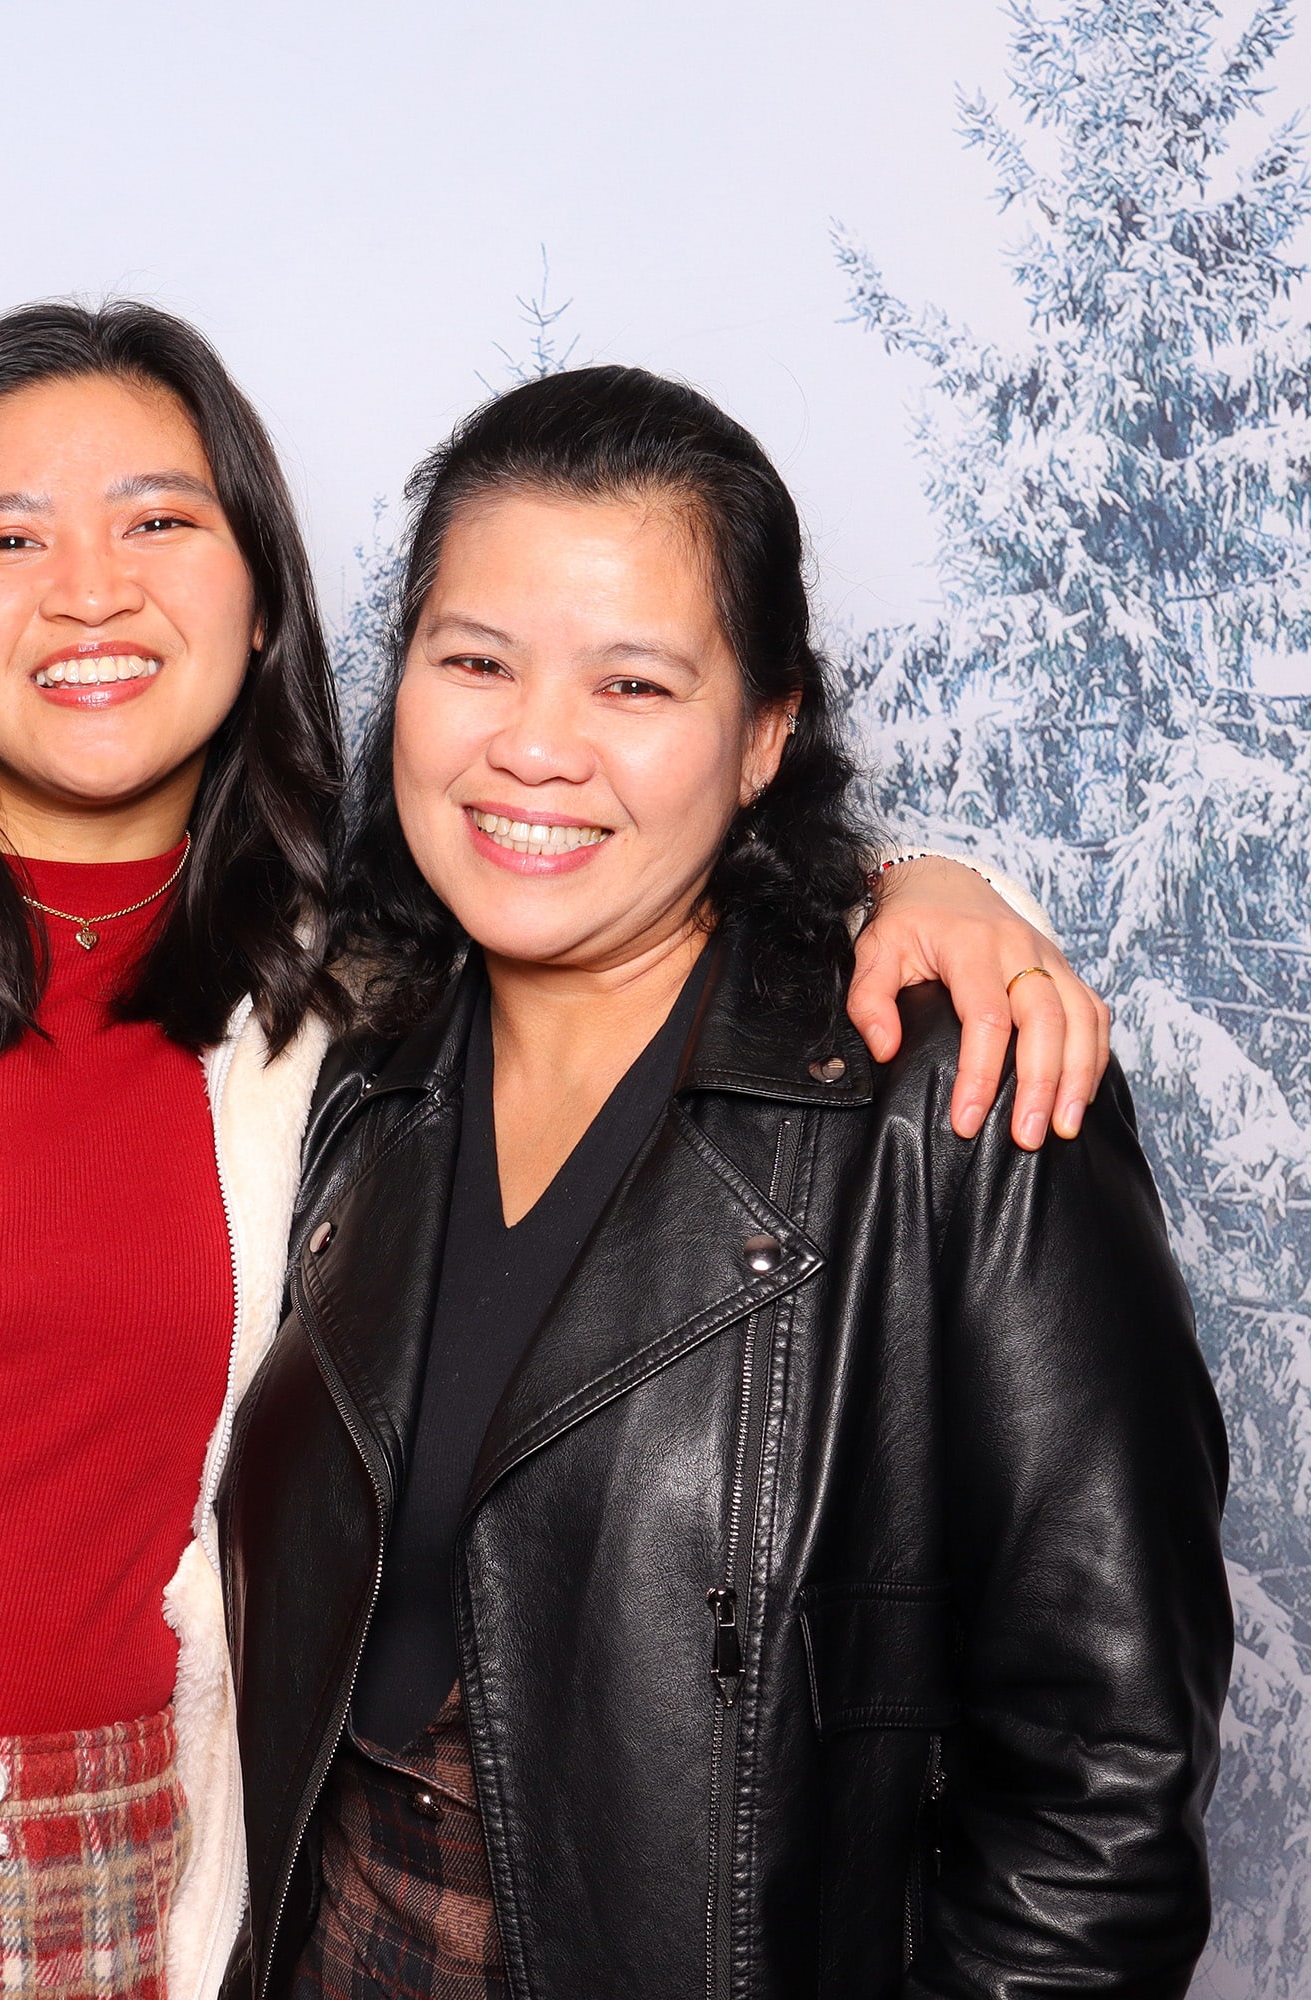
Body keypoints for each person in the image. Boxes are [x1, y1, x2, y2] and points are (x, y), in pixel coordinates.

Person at [0, 305, 1103, 2000]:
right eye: (5, 536)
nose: (89, 587)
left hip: (137, 1902)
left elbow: (649, 892)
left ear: (262, 604)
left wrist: (932, 888)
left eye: (160, 520)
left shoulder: (330, 1014)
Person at [218, 367, 1232, 1998]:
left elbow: (1101, 1798)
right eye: (474, 661)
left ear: (764, 736)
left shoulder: (951, 1099)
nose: (533, 746)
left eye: (632, 684)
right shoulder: (357, 1074)